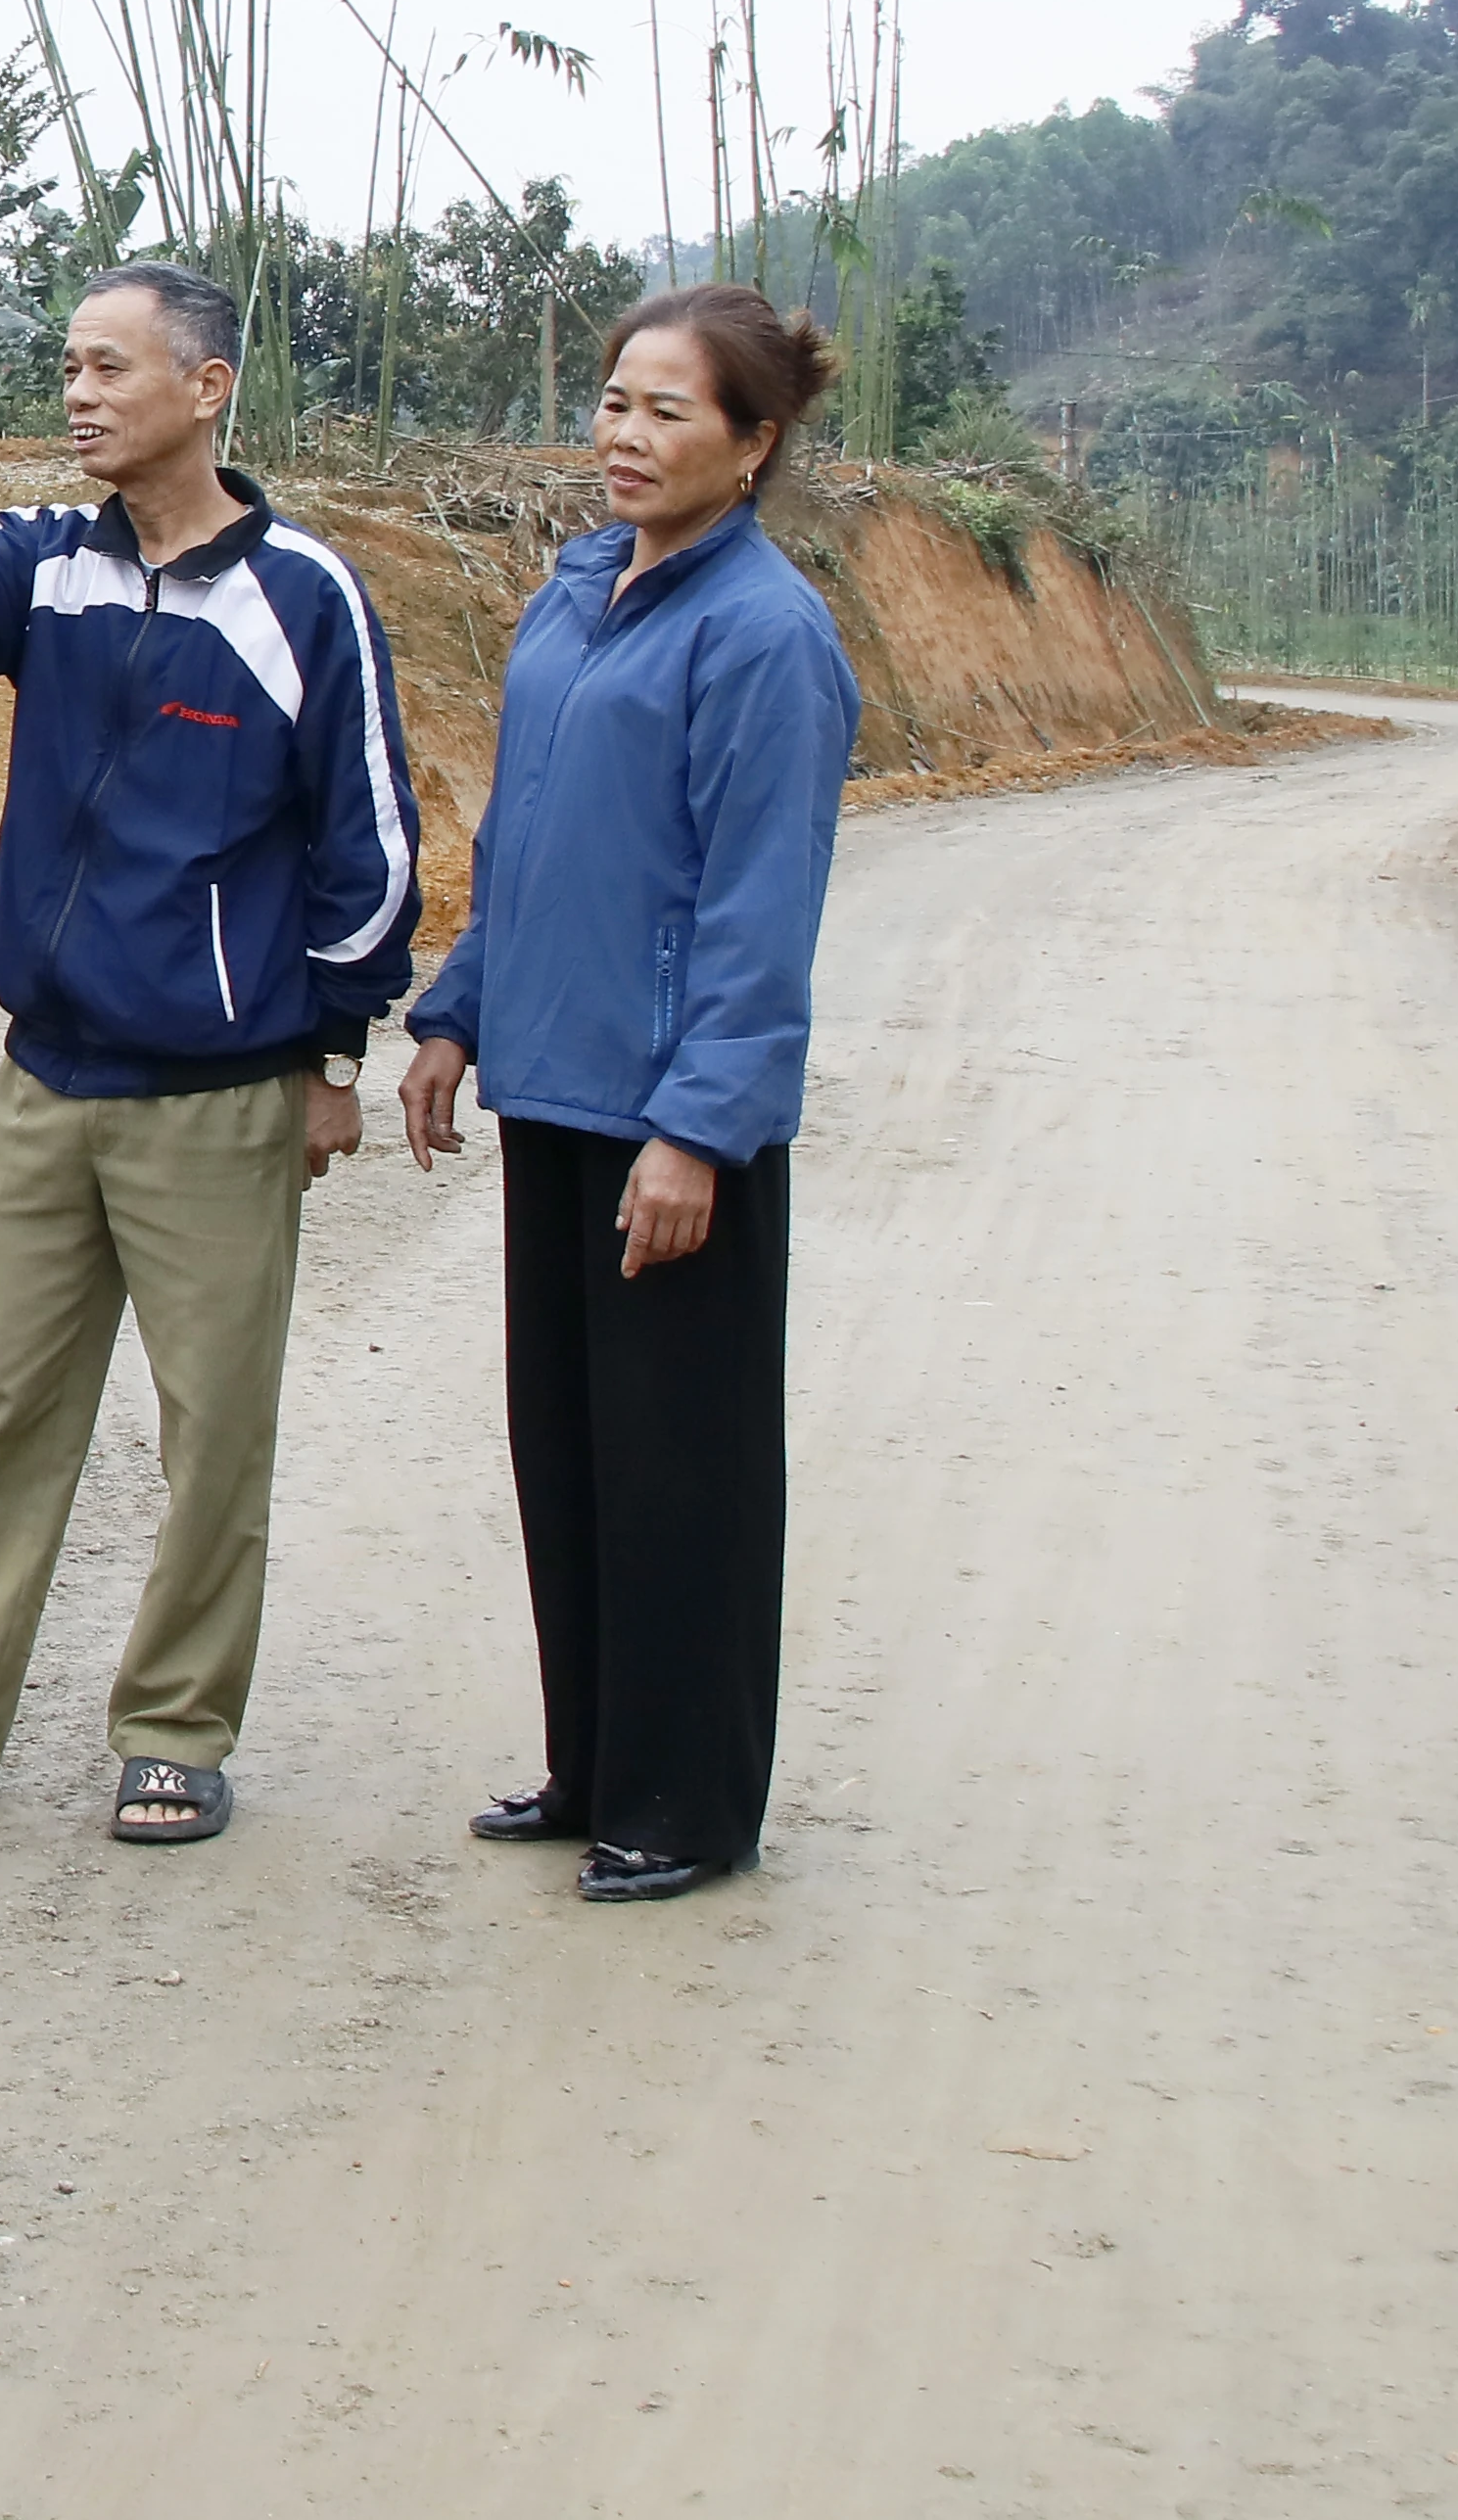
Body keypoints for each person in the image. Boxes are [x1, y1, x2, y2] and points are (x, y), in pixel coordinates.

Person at [0, 262, 421, 1846]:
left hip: (219, 1093)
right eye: (69, 368)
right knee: (3, 1412)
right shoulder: (60, 568)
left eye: (111, 367)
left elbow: (368, 850)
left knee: (210, 1429)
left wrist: (331, 1049)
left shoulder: (300, 593)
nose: (81, 393)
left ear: (209, 384)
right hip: (50, 1077)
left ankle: (175, 1726)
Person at [397, 284, 859, 1905]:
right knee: (574, 1449)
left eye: (670, 411)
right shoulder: (580, 592)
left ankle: (689, 1802)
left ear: (753, 445)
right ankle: (593, 1764)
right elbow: (523, 843)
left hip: (670, 1120)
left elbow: (756, 901)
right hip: (556, 1093)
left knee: (687, 1469)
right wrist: (458, 1010)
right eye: (613, 402)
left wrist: (700, 1128)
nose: (627, 435)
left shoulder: (765, 633)